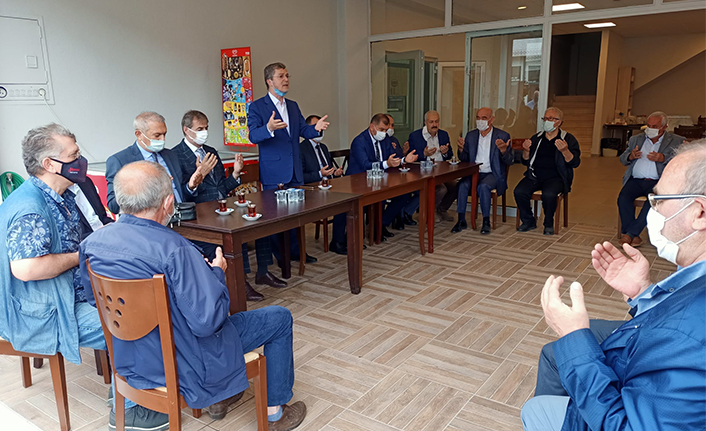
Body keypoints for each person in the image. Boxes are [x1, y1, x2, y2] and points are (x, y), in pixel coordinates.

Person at [80, 161, 307, 431]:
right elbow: (208, 322)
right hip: (186, 360)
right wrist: (216, 273)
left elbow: (98, 301)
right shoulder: (174, 249)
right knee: (279, 318)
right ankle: (274, 414)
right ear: (168, 203)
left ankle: (224, 395)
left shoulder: (92, 244)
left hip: (132, 358)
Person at [521, 139, 706, 431]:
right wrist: (643, 293)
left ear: (699, 213)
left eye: (658, 199)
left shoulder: (687, 337)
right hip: (650, 340)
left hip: (637, 381)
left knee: (535, 408)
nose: (652, 209)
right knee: (554, 353)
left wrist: (573, 336)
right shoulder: (695, 274)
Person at [0, 124, 164, 431]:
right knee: (136, 324)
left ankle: (128, 393)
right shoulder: (30, 207)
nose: (80, 160)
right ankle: (130, 410)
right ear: (49, 164)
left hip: (66, 294)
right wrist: (81, 256)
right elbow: (26, 268)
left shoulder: (59, 196)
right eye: (73, 155)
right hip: (43, 311)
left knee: (141, 307)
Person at [172, 110, 285, 301]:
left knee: (259, 223)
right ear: (186, 130)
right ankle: (241, 282)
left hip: (223, 208)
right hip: (201, 214)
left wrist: (235, 174)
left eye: (206, 128)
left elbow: (222, 187)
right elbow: (181, 194)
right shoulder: (176, 155)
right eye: (199, 129)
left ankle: (263, 271)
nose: (204, 132)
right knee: (237, 234)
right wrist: (197, 178)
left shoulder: (211, 151)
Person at [247, 62, 329, 264]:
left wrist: (316, 128)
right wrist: (268, 128)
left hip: (294, 170)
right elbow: (253, 136)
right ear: (269, 81)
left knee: (296, 215)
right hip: (274, 172)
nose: (286, 80)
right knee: (276, 218)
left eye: (287, 76)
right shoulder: (257, 106)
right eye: (281, 76)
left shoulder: (293, 105)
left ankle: (296, 252)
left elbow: (303, 131)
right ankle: (281, 256)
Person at [106, 111, 217, 215]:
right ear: (139, 134)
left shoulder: (171, 155)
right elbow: (113, 206)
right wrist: (145, 186)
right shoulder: (120, 161)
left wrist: (191, 186)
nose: (162, 139)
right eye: (157, 135)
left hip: (181, 218)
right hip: (149, 223)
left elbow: (180, 194)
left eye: (164, 134)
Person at [617, 111, 684, 247]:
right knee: (623, 198)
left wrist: (663, 158)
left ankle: (629, 234)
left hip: (658, 182)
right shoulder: (636, 139)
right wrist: (630, 156)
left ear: (664, 127)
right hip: (635, 180)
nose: (650, 129)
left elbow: (682, 161)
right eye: (649, 125)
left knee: (652, 202)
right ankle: (633, 235)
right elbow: (622, 159)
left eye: (655, 126)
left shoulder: (676, 140)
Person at [348, 114, 418, 239]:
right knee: (380, 198)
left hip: (380, 180)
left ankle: (380, 225)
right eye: (381, 129)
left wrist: (404, 159)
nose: (384, 133)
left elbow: (393, 157)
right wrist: (386, 164)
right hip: (359, 181)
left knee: (403, 195)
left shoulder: (385, 140)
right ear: (372, 127)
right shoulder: (359, 141)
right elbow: (365, 165)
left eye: (386, 130)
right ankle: (365, 233)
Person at [514, 107, 581, 235]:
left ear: (559, 122)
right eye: (545, 118)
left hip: (556, 178)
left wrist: (565, 151)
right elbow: (525, 161)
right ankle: (528, 221)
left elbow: (575, 163)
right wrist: (526, 151)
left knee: (549, 194)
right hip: (535, 176)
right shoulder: (537, 138)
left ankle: (548, 222)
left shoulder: (567, 139)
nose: (546, 121)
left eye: (550, 118)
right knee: (519, 191)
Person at [453, 107, 512, 234]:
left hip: (492, 173)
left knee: (483, 187)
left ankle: (486, 221)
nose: (480, 121)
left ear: (492, 119)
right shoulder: (471, 135)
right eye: (478, 118)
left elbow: (509, 161)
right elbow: (464, 159)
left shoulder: (502, 136)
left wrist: (503, 151)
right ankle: (461, 220)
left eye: (484, 118)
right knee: (462, 185)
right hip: (473, 173)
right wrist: (461, 149)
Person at [408, 110, 456, 222]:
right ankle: (429, 212)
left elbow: (450, 154)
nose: (434, 124)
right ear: (425, 122)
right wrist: (424, 154)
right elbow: (410, 158)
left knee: (456, 186)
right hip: (424, 172)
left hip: (442, 171)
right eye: (431, 122)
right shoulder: (415, 136)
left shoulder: (443, 135)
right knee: (441, 189)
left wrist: (445, 152)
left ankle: (441, 210)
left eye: (436, 121)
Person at [386, 114, 417, 230]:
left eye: (393, 125)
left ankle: (402, 215)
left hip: (397, 174)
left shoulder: (394, 140)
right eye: (389, 125)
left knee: (410, 190)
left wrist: (404, 153)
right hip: (385, 176)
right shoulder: (379, 140)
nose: (391, 128)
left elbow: (399, 158)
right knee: (402, 193)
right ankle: (390, 220)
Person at [72, 176, 114, 241]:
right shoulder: (57, 196)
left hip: (105, 235)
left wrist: (114, 225)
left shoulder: (85, 182)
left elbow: (102, 217)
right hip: (86, 242)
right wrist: (99, 233)